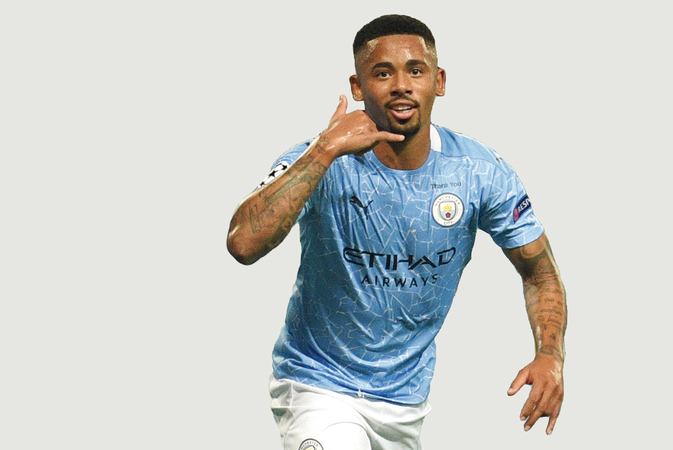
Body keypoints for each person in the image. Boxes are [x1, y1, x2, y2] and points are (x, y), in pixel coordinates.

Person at [227, 14, 567, 450]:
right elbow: (242, 243)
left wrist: (550, 355)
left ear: (439, 82)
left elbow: (540, 271)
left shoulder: (479, 173)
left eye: (416, 70)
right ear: (358, 87)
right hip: (317, 383)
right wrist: (324, 150)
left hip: (405, 402)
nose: (401, 85)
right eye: (383, 73)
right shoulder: (321, 160)